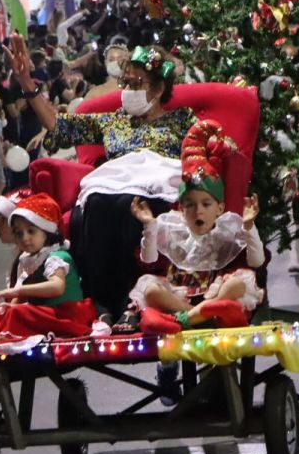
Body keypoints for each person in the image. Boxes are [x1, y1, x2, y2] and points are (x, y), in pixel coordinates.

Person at [13, 36, 197, 321]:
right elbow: (59, 125)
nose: (128, 91)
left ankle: (129, 303)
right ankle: (101, 308)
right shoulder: (114, 121)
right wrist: (27, 84)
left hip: (154, 189)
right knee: (96, 203)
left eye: (137, 84)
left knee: (127, 206)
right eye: (126, 83)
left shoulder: (181, 120)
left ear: (159, 89)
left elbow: (207, 144)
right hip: (112, 185)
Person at [127, 120, 264, 334]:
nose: (198, 211)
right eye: (190, 205)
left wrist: (249, 226)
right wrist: (150, 226)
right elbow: (149, 260)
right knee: (152, 290)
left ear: (219, 208)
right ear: (181, 209)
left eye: (206, 204)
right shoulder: (174, 229)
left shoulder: (226, 231)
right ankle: (204, 316)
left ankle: (187, 320)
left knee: (238, 284)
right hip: (180, 294)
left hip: (214, 291)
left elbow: (257, 261)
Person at [0, 193, 98, 352]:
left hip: (65, 314)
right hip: (45, 312)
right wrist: (11, 304)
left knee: (17, 314)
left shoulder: (56, 257)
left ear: (46, 232)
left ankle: (3, 342)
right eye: (19, 233)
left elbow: (57, 287)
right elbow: (23, 293)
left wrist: (19, 291)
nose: (25, 238)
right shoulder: (28, 259)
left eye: (31, 231)